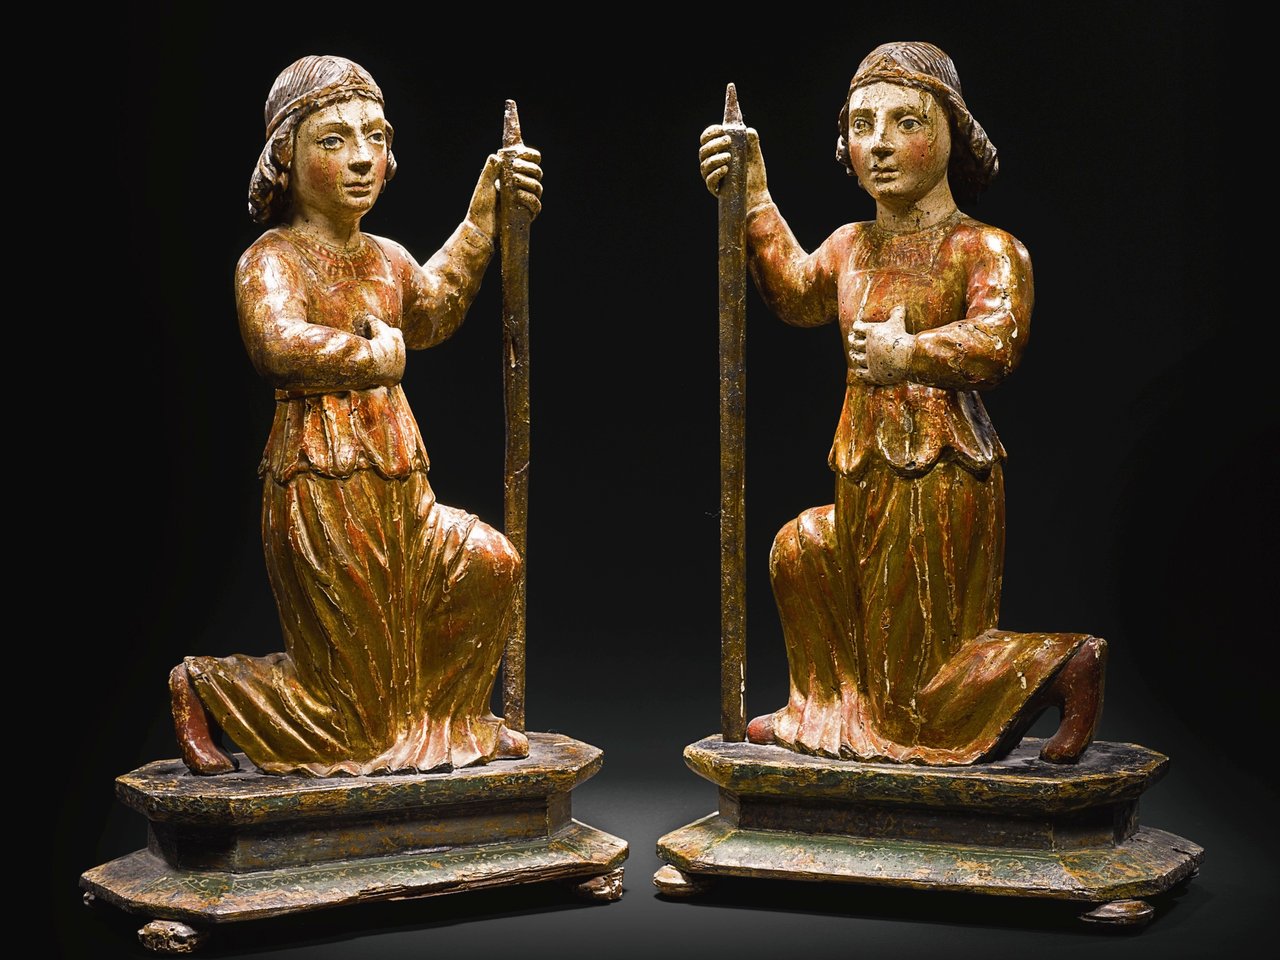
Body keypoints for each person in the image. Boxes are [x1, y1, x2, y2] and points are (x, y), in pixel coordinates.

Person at [698, 42, 1105, 765]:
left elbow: (998, 340)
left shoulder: (984, 248)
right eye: (862, 125)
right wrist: (753, 196)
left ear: (952, 134)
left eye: (905, 122)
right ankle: (826, 711)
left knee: (917, 684)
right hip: (863, 463)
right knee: (802, 551)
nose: (879, 144)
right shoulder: (850, 245)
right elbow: (794, 293)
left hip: (939, 468)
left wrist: (909, 354)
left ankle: (1061, 664)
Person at [168, 55, 544, 777]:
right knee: (353, 721)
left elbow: (433, 309)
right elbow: (276, 342)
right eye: (334, 140)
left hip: (401, 481)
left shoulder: (387, 258)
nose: (363, 157)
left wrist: (484, 217)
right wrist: (369, 358)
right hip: (321, 485)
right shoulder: (272, 258)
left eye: (375, 136)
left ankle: (449, 720)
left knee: (488, 564)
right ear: (285, 156)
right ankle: (207, 686)